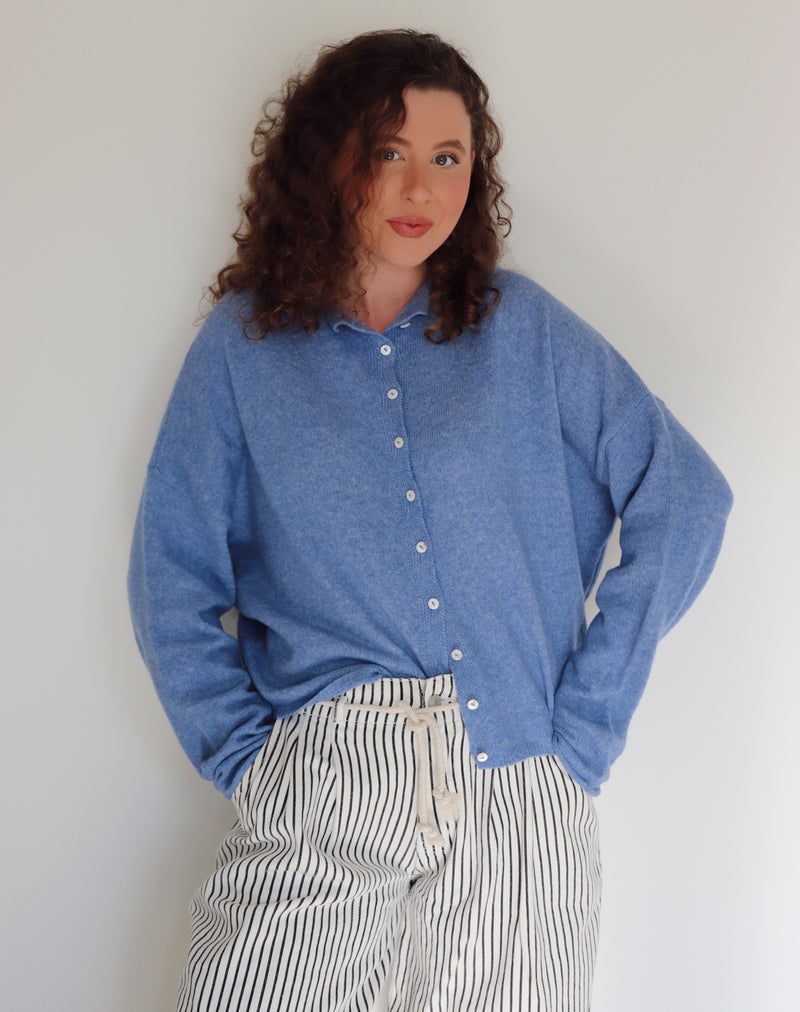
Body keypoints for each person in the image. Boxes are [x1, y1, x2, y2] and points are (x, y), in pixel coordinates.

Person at [128, 28, 732, 1012]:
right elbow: (170, 579)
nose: (419, 190)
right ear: (327, 162)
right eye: (387, 153)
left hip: (518, 783)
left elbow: (684, 496)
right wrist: (251, 761)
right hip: (328, 785)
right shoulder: (243, 349)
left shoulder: (522, 328)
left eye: (446, 158)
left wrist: (581, 731)